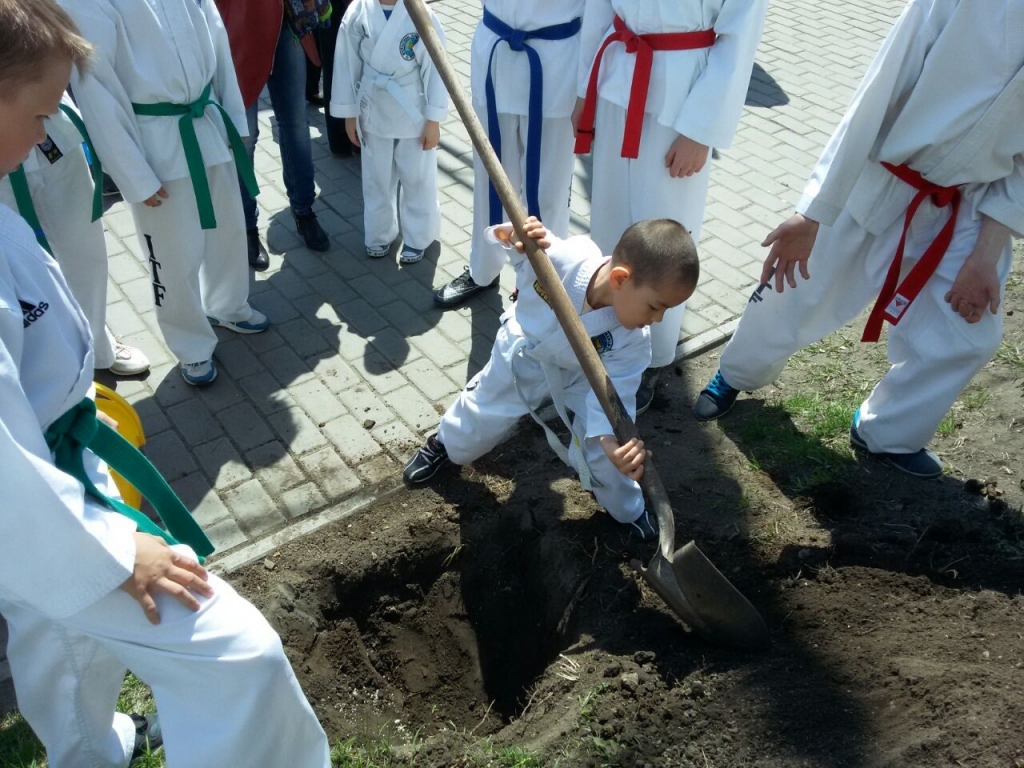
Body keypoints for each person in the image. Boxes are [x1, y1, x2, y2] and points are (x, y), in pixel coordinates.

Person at [0, 2, 332, 766]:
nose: (49, 133)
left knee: (59, 645)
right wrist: (121, 553)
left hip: (55, 477)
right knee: (240, 653)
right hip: (46, 508)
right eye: (45, 113)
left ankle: (89, 752)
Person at [693, 0, 1024, 480]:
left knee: (969, 331)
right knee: (797, 287)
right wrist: (813, 212)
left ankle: (888, 432)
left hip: (973, 206)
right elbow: (877, 91)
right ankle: (738, 373)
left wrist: (986, 253)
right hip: (880, 178)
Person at [404, 216, 698, 540]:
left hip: (585, 376)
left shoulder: (632, 340)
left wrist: (609, 440)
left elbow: (616, 393)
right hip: (528, 352)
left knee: (607, 451)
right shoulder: (560, 259)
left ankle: (630, 511)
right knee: (484, 408)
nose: (657, 319)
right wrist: (517, 235)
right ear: (620, 279)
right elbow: (513, 248)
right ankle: (445, 444)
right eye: (655, 307)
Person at [61, 0, 272, 387]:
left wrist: (233, 119)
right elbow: (96, 86)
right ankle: (190, 343)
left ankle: (228, 303)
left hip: (206, 119)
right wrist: (133, 172)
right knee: (173, 254)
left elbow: (218, 39)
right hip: (153, 138)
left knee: (227, 228)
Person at [573, 0, 768, 412]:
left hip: (681, 101)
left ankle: (650, 359)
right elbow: (598, 8)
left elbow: (739, 36)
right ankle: (600, 332)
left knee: (665, 237)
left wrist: (701, 130)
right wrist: (583, 89)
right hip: (617, 80)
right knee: (609, 224)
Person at [433, 0, 585, 307]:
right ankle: (483, 270)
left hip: (557, 63)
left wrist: (585, 89)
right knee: (490, 177)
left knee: (548, 192)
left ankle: (543, 282)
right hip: (496, 53)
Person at [0, 94, 150, 377]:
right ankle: (39, 366)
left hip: (50, 134)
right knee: (14, 266)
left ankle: (96, 342)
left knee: (84, 248)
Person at [216, 0, 332, 271]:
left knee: (296, 125)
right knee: (244, 136)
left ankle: (304, 210)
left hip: (284, 20)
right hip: (235, 24)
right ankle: (246, 227)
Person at [331, 0, 448, 264]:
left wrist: (434, 118)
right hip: (372, 106)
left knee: (417, 177)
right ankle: (379, 233)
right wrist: (349, 113)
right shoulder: (358, 11)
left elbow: (437, 67)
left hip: (412, 110)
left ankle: (419, 236)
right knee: (376, 178)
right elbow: (345, 63)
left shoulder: (420, 13)